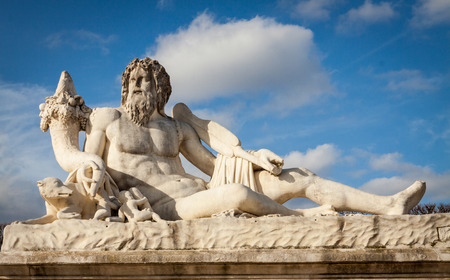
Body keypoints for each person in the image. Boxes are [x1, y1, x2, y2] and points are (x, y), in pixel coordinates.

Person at [84, 57, 425, 221]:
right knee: (235, 193)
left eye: (145, 81)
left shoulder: (177, 128)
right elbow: (88, 164)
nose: (136, 87)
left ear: (160, 89)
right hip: (163, 208)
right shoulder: (107, 118)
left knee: (300, 176)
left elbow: (215, 165)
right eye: (132, 81)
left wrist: (254, 158)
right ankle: (303, 218)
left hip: (198, 195)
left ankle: (388, 205)